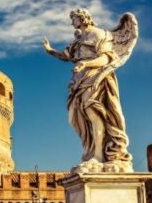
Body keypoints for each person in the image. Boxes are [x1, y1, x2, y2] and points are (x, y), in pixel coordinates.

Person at [42, 9, 137, 173]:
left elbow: (106, 58)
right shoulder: (78, 40)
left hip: (96, 77)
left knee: (94, 113)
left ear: (83, 18)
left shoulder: (99, 34)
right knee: (80, 117)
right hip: (79, 80)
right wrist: (51, 51)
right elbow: (67, 56)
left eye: (74, 19)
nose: (72, 23)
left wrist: (86, 64)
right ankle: (92, 151)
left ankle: (99, 156)